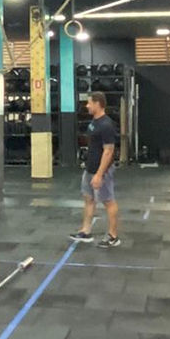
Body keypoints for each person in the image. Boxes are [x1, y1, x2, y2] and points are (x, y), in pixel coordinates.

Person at [69, 92, 120, 249]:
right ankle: (86, 231)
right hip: (90, 168)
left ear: (97, 104)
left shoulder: (106, 125)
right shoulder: (94, 122)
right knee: (88, 198)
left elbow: (108, 151)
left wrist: (99, 174)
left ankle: (113, 236)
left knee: (108, 201)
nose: (87, 105)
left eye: (89, 103)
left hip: (102, 171)